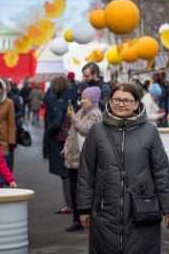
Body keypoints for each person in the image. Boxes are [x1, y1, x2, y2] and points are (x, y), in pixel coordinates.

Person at [77, 83, 169, 253]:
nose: (120, 104)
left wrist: (168, 207)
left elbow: (161, 171)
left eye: (126, 100)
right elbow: (86, 172)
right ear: (109, 101)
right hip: (105, 212)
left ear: (136, 104)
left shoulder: (149, 131)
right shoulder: (97, 131)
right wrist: (84, 208)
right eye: (116, 99)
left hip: (142, 211)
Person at [61, 86, 102, 232]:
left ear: (93, 99)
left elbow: (84, 129)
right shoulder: (81, 111)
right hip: (73, 158)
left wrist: (72, 117)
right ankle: (76, 219)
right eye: (82, 98)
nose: (82, 101)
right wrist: (66, 149)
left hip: (83, 159)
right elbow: (72, 133)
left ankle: (83, 219)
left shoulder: (95, 114)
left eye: (85, 98)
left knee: (82, 191)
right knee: (74, 190)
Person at [46, 76, 79, 214]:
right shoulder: (74, 99)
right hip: (74, 139)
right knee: (72, 173)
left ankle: (69, 204)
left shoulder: (60, 102)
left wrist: (49, 129)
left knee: (65, 174)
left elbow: (57, 122)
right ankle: (74, 203)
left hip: (61, 141)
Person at [4, 79, 23, 173]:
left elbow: (21, 112)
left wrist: (11, 117)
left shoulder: (14, 98)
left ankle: (8, 174)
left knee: (10, 152)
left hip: (12, 128)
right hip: (1, 128)